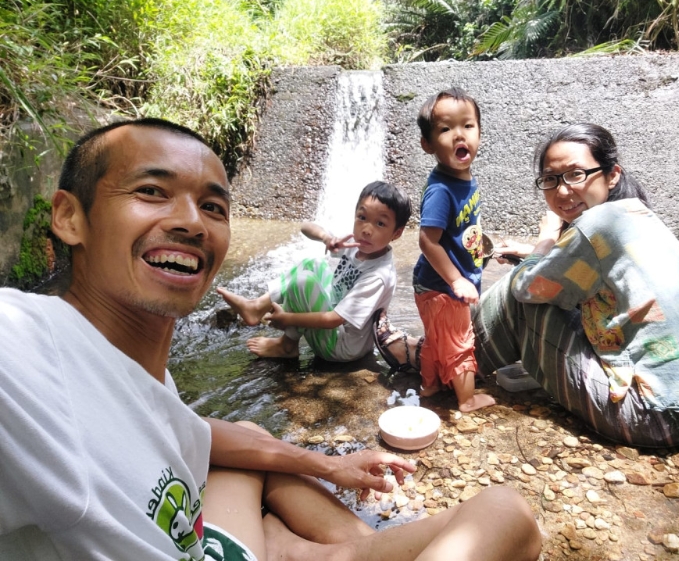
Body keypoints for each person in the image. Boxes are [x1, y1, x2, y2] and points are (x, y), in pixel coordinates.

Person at [0, 118, 543, 560]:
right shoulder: (25, 344)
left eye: (212, 207)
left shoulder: (139, 381)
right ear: (69, 217)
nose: (191, 222)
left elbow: (190, 429)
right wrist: (327, 243)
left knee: (243, 432)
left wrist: (330, 466)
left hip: (218, 532)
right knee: (506, 515)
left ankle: (299, 547)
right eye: (151, 191)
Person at [474, 123, 679, 448]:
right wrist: (532, 254)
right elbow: (580, 278)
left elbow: (524, 290)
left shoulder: (596, 224)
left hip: (647, 418)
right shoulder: (632, 213)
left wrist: (545, 239)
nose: (562, 191)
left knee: (517, 297)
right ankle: (453, 354)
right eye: (550, 179)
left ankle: (441, 362)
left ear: (611, 174)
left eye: (576, 174)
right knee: (536, 284)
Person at [217, 181, 411, 363]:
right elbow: (305, 227)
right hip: (336, 328)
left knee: (304, 282)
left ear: (397, 233)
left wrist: (288, 318)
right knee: (313, 263)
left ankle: (287, 345)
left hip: (344, 347)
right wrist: (326, 238)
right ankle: (258, 305)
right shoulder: (356, 245)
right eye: (362, 217)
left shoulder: (379, 275)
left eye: (380, 224)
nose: (367, 229)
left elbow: (333, 320)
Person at [411, 87, 496, 413]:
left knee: (435, 337)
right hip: (443, 285)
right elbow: (427, 241)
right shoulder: (442, 190)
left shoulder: (463, 178)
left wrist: (483, 249)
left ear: (479, 132)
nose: (459, 134)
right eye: (446, 129)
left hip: (434, 283)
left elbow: (459, 229)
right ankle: (466, 399)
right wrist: (457, 280)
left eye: (467, 125)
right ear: (427, 144)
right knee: (461, 341)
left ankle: (430, 386)